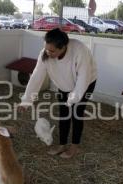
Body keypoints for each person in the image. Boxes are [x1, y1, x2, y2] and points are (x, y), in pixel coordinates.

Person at [19, 28, 97, 159]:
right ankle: (62, 144)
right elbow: (36, 77)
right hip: (64, 83)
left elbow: (83, 78)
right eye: (46, 49)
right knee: (63, 113)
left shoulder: (79, 50)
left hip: (86, 82)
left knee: (76, 114)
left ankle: (74, 146)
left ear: (63, 47)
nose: (48, 53)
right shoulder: (45, 54)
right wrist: (26, 101)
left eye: (52, 51)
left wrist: (72, 100)